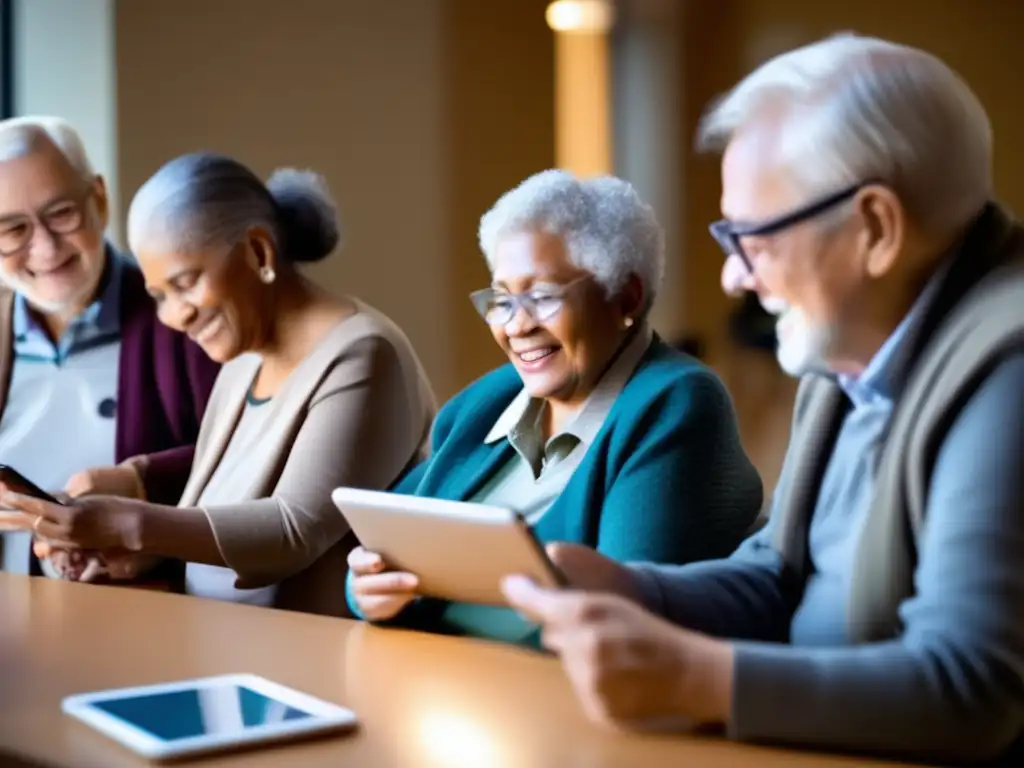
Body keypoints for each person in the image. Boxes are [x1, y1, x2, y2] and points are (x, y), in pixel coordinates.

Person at [500, 33, 1024, 765]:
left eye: (752, 238)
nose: (734, 279)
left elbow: (972, 691)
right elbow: (781, 573)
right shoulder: (849, 341)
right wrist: (635, 592)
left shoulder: (1009, 363)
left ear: (874, 229)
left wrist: (696, 679)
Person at [2, 152, 437, 617]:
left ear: (258, 252)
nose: (174, 316)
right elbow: (211, 522)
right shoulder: (241, 358)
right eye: (159, 296)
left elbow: (293, 530)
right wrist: (116, 548)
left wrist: (127, 523)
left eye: (185, 283)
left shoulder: (363, 352)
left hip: (318, 660)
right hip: (230, 648)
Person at [347, 169, 763, 644]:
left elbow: (621, 615)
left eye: (542, 297)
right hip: (437, 688)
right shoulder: (488, 401)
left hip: (550, 693)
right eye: (501, 300)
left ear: (624, 296)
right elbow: (384, 534)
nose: (516, 325)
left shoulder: (675, 401)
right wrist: (369, 585)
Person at [0, 117, 218, 579]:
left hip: (140, 611)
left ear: (99, 199)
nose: (43, 248)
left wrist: (140, 478)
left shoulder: (185, 318)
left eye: (61, 214)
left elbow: (250, 456)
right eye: (11, 230)